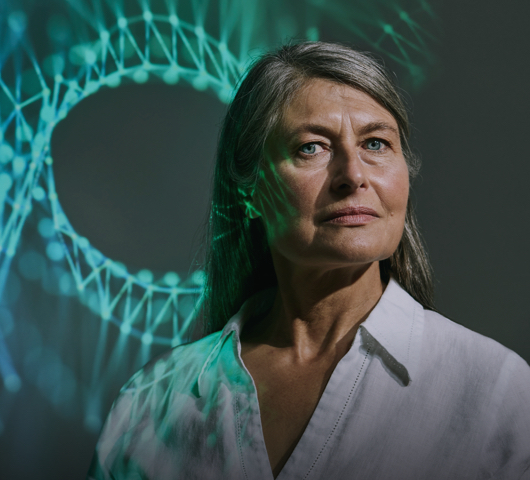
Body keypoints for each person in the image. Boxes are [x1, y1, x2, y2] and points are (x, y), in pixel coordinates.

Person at [88, 41, 530, 479]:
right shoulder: (150, 404)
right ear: (250, 189)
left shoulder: (497, 392)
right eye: (311, 147)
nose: (354, 176)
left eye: (376, 144)